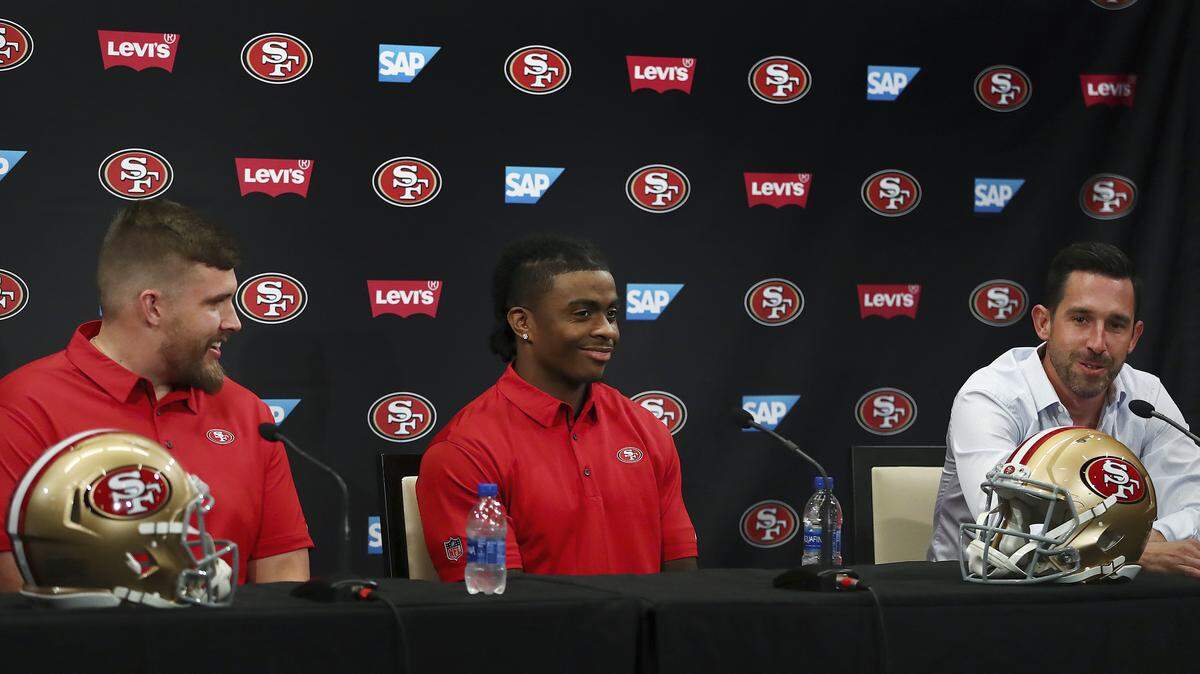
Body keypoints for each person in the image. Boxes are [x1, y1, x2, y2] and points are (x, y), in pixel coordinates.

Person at [0, 199, 312, 592]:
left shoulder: (247, 412)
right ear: (153, 307)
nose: (234, 322)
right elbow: (14, 590)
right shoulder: (22, 406)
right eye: (215, 303)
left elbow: (284, 570)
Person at [417, 234, 698, 581]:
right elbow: (493, 598)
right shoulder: (465, 450)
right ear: (523, 323)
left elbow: (683, 574)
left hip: (647, 633)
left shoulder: (646, 428)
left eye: (611, 314)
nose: (607, 330)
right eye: (583, 314)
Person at [929, 241, 1200, 577]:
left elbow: (1195, 505)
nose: (1097, 343)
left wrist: (1127, 548)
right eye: (1081, 319)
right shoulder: (990, 395)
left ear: (1134, 336)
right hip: (979, 597)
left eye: (1116, 325)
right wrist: (1136, 550)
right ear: (1044, 323)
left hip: (1111, 598)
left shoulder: (1147, 397)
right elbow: (1005, 524)